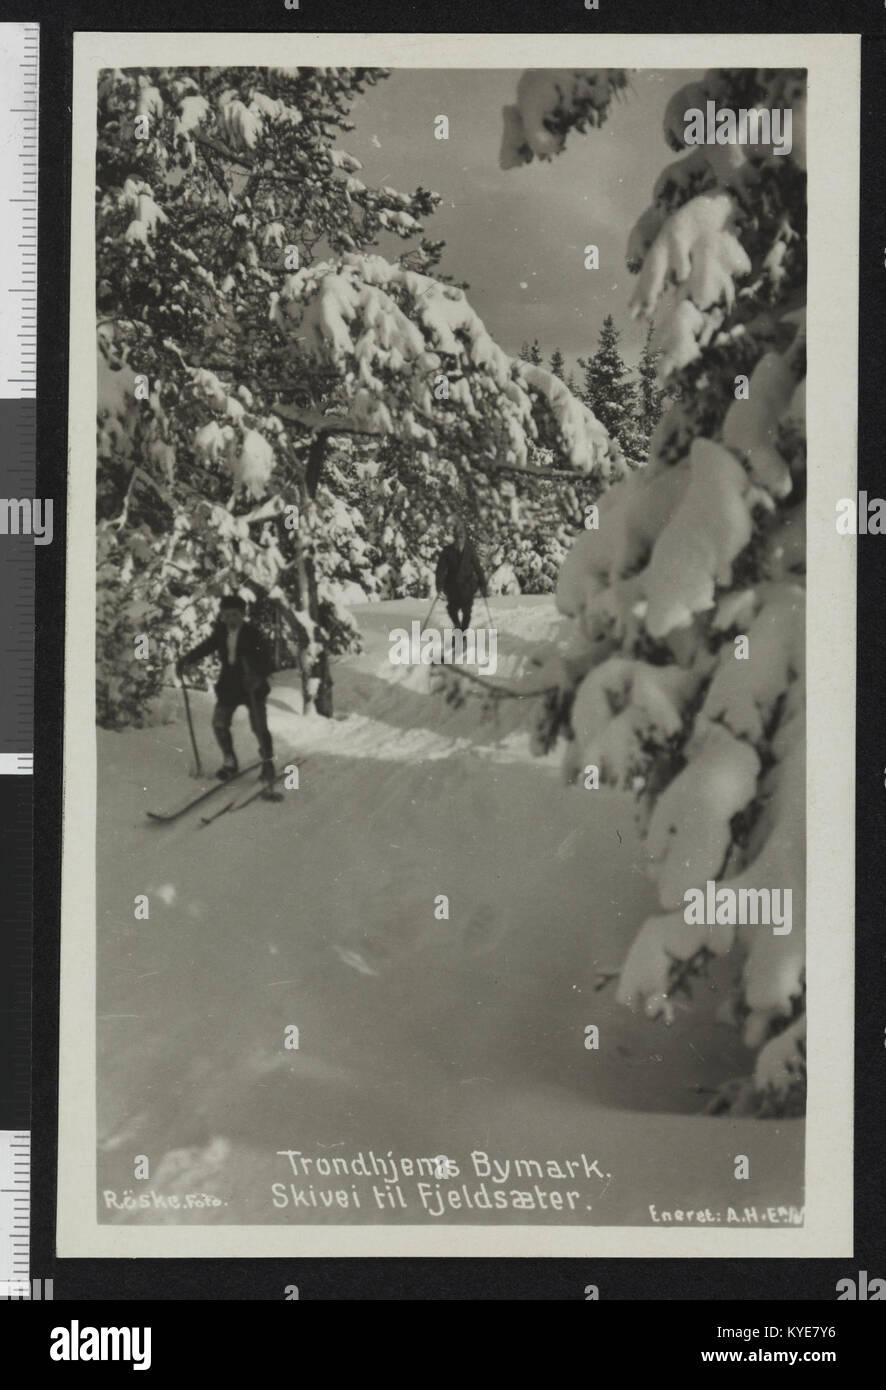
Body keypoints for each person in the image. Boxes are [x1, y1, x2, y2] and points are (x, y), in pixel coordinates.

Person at [176, 595, 275, 783]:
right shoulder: (221, 631)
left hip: (252, 686)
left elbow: (267, 661)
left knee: (259, 727)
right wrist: (186, 660)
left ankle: (268, 763)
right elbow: (207, 647)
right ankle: (230, 762)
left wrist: (257, 676)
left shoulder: (253, 634)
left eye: (235, 615)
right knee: (219, 724)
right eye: (227, 615)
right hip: (229, 685)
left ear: (243, 615)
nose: (230, 619)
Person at [434, 519, 487, 631]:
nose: (459, 539)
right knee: (452, 609)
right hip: (452, 586)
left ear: (465, 537)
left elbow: (478, 568)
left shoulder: (470, 551)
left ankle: (461, 633)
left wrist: (482, 585)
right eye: (457, 537)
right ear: (454, 537)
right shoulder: (447, 551)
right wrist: (439, 586)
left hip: (467, 586)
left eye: (462, 537)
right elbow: (440, 570)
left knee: (466, 612)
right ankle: (457, 627)